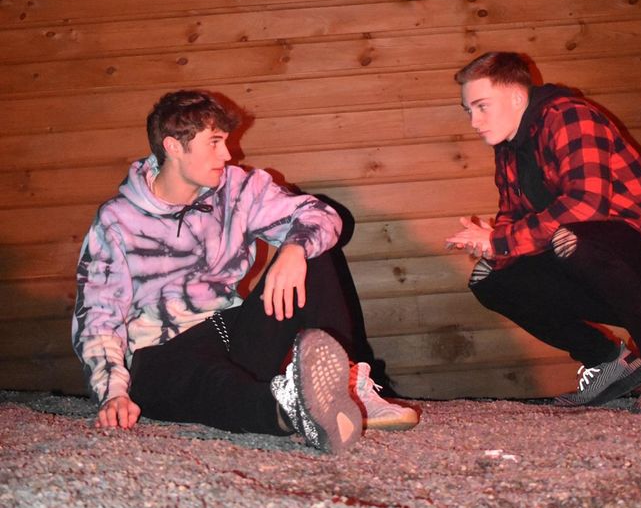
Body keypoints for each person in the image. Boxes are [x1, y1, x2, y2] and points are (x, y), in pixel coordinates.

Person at [72, 90, 418, 455]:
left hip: (231, 331)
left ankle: (346, 387)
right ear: (173, 147)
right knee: (209, 385)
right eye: (215, 142)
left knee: (311, 248)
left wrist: (294, 249)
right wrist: (112, 392)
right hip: (163, 352)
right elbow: (99, 314)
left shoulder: (237, 189)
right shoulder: (118, 220)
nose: (227, 154)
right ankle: (290, 410)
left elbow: (321, 216)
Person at [445, 51, 641, 413]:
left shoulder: (569, 116)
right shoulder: (509, 149)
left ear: (516, 97)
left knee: (573, 236)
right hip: (605, 277)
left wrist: (500, 240)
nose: (474, 121)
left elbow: (586, 205)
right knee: (490, 278)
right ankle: (607, 362)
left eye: (482, 106)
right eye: (468, 110)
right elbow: (513, 219)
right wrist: (493, 245)